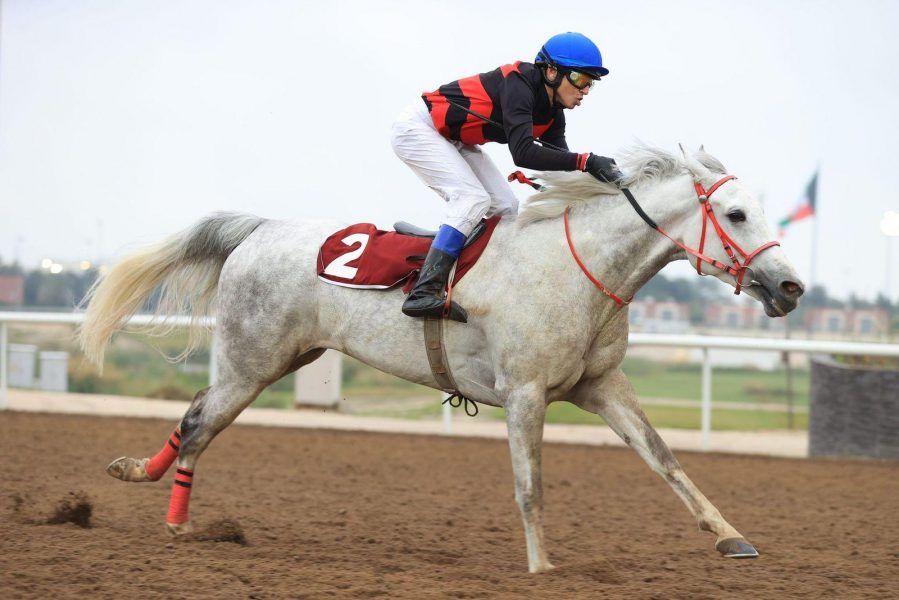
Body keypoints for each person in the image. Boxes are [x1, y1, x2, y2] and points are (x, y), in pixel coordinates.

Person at [391, 31, 621, 323]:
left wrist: (603, 184)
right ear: (551, 71)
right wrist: (587, 161)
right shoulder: (519, 83)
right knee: (471, 199)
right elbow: (523, 153)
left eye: (590, 84)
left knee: (507, 208)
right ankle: (424, 290)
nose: (584, 90)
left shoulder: (553, 114)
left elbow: (561, 166)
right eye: (580, 79)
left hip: (455, 140)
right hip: (419, 128)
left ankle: (478, 280)